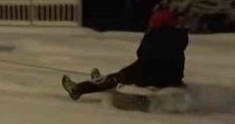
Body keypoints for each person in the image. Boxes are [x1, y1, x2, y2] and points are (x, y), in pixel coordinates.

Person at [61, 9, 189, 100]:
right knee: (128, 73)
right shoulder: (179, 36)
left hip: (150, 74)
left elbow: (141, 53)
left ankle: (78, 88)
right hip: (173, 77)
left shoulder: (155, 35)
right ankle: (100, 80)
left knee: (119, 77)